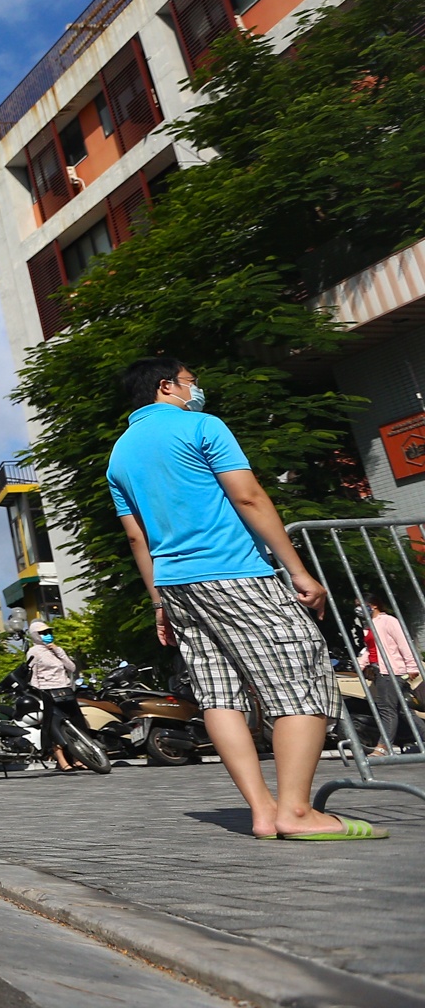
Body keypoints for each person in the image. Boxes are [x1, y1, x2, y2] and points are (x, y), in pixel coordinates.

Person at [109, 356, 383, 841]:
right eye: (193, 381)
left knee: (219, 693)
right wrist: (298, 571)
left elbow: (137, 539)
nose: (198, 389)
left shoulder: (120, 455)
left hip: (176, 586)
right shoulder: (201, 426)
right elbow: (249, 497)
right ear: (167, 386)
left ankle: (262, 811)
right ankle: (296, 812)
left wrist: (158, 604)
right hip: (234, 572)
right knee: (304, 671)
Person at [358, 599, 421, 755]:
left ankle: (383, 747)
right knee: (403, 711)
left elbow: (403, 643)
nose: (358, 608)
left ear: (374, 605)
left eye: (360, 604)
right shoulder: (368, 624)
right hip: (378, 672)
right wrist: (360, 664)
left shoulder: (388, 621)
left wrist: (412, 666)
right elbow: (371, 649)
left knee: (387, 710)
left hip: (391, 671)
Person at [25, 620, 79, 771]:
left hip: (65, 690)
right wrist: (39, 693)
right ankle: (62, 760)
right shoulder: (33, 652)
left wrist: (57, 651)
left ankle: (78, 757)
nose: (47, 635)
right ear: (35, 635)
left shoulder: (57, 650)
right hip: (48, 692)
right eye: (43, 633)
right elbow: (32, 675)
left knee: (74, 726)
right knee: (55, 727)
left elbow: (71, 667)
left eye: (49, 632)